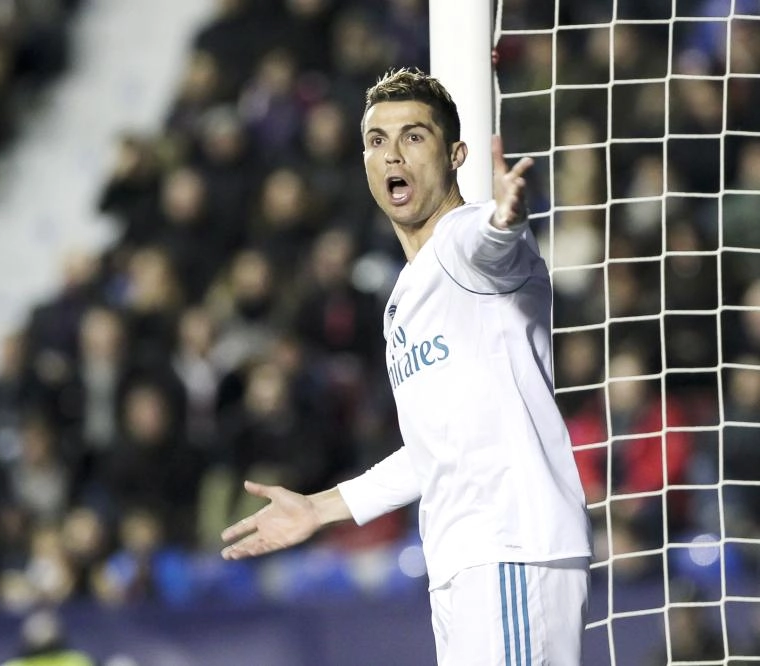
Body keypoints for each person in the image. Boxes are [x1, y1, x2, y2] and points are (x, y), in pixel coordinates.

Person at [220, 67, 593, 665]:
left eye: (415, 136)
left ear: (455, 156)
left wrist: (507, 219)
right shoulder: (400, 303)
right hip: (462, 563)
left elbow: (492, 246)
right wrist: (321, 507)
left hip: (511, 547)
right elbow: (431, 448)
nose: (393, 153)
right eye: (377, 140)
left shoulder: (465, 237)